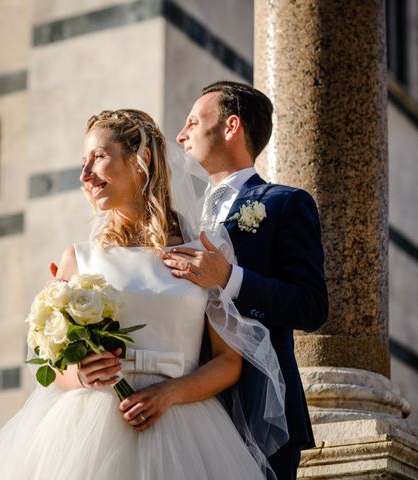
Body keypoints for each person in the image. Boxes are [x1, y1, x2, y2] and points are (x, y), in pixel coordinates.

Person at [0, 109, 286, 479]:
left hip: (185, 426)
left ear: (141, 159)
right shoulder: (78, 258)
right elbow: (50, 367)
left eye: (97, 157)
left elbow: (228, 362)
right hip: (87, 431)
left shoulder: (203, 251)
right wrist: (79, 374)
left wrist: (169, 394)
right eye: (83, 162)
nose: (85, 175)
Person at [164, 81, 329, 479]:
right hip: (188, 404)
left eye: (192, 122)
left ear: (230, 126)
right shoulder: (179, 219)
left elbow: (311, 307)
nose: (180, 135)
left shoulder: (284, 203)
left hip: (260, 406)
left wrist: (230, 278)